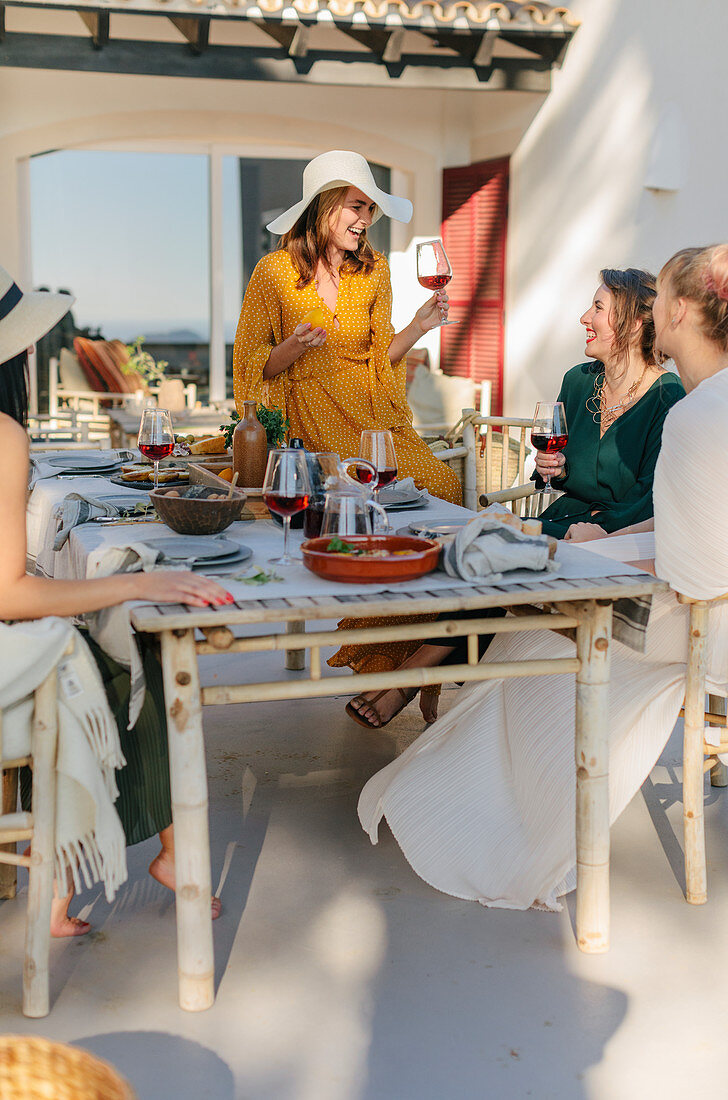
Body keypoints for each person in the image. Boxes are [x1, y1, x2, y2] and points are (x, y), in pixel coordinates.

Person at [357, 242, 728, 914]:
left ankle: (503, 810)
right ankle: (465, 751)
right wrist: (573, 530)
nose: (584, 317)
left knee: (520, 628)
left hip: (684, 623)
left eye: (598, 306)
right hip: (675, 592)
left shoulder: (686, 410)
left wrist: (590, 548)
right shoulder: (704, 402)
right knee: (509, 569)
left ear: (669, 312)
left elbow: (675, 554)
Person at [347, 268, 685, 728]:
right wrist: (553, 470)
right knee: (475, 545)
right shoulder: (579, 380)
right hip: (561, 522)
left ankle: (412, 674)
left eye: (599, 308)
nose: (585, 317)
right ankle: (419, 675)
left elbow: (652, 499)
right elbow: (559, 475)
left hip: (611, 538)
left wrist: (591, 530)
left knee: (485, 542)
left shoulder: (667, 396)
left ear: (633, 323)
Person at [0, 267, 232, 935]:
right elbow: (10, 593)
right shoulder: (4, 436)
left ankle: (67, 883)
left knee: (86, 636)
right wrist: (133, 584)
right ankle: (162, 855)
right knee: (130, 651)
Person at [233, 150, 461, 506]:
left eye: (371, 209)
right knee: (348, 495)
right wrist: (296, 345)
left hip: (368, 417)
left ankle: (404, 556)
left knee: (441, 484)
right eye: (357, 206)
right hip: (308, 417)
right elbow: (251, 363)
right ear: (324, 206)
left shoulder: (375, 271)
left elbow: (380, 357)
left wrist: (420, 325)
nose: (366, 219)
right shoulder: (273, 271)